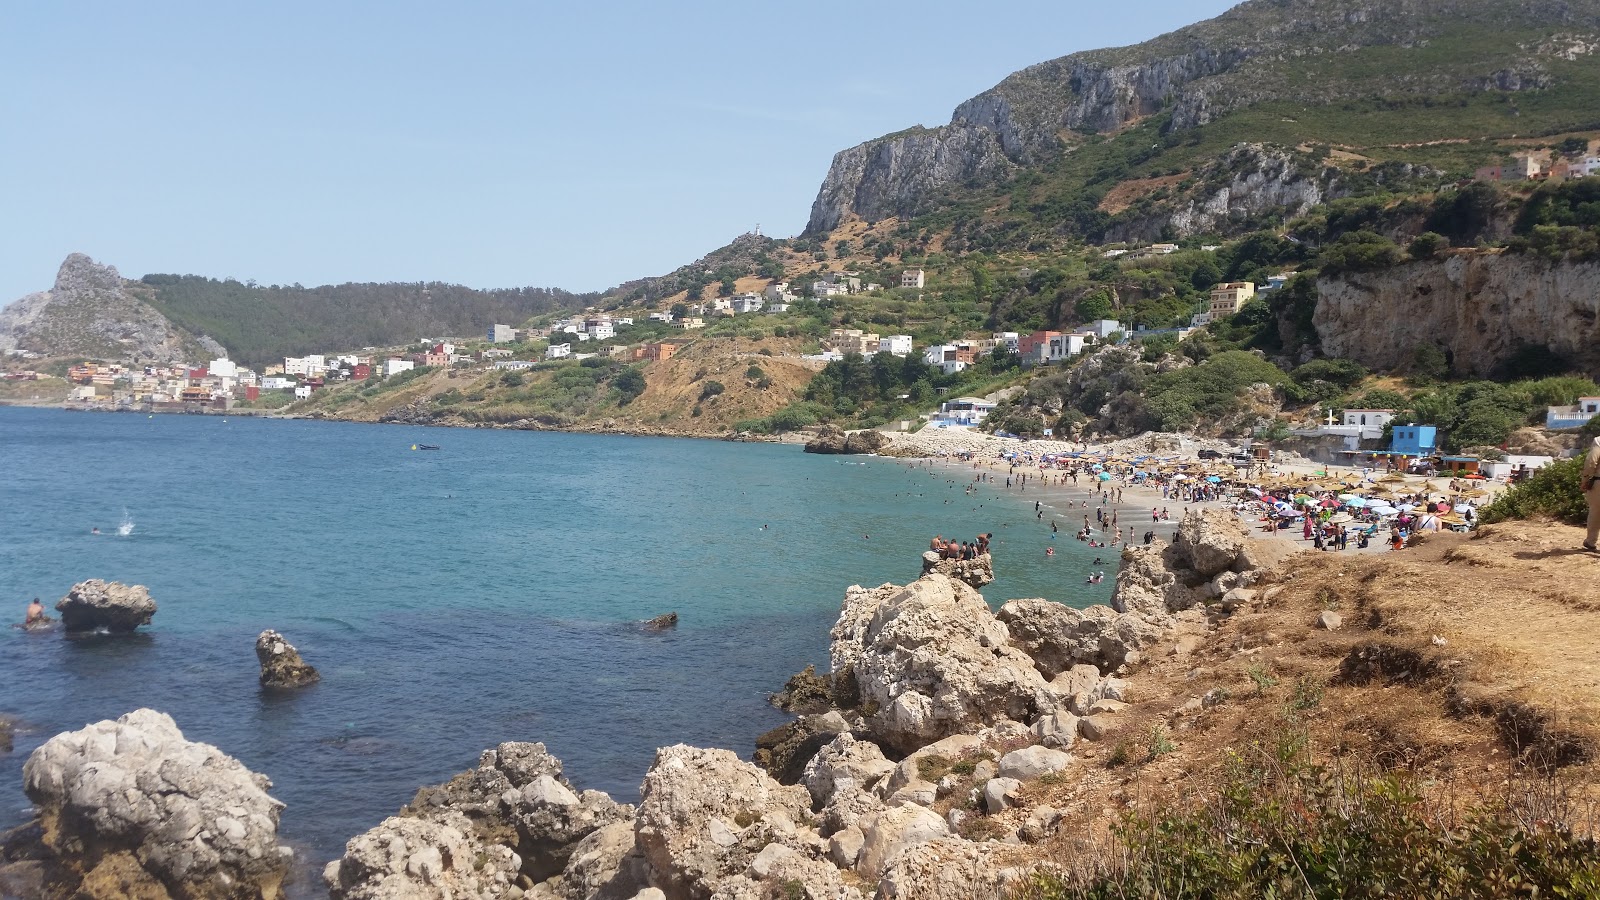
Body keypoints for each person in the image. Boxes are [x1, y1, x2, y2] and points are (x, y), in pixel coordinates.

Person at [1585, 436, 1600, 552]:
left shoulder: (1599, 441)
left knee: (1595, 511)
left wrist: (1585, 479)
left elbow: (1591, 461)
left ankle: (1591, 541)